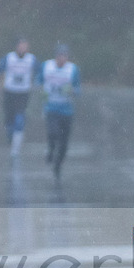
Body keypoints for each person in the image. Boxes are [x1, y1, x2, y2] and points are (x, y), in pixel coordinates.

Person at [35, 43, 81, 179]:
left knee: (64, 143)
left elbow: (78, 89)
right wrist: (41, 89)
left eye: (65, 56)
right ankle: (50, 150)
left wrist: (72, 90)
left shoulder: (73, 69)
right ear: (56, 56)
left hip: (66, 110)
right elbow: (38, 80)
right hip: (51, 107)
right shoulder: (46, 66)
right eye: (60, 56)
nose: (62, 59)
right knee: (53, 133)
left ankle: (58, 165)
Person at [0, 36, 39, 157]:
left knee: (19, 119)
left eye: (25, 45)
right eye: (21, 45)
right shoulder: (9, 58)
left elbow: (41, 73)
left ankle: (16, 148)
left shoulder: (31, 59)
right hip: (9, 93)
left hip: (23, 94)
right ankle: (11, 137)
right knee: (9, 120)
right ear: (17, 46)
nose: (23, 48)